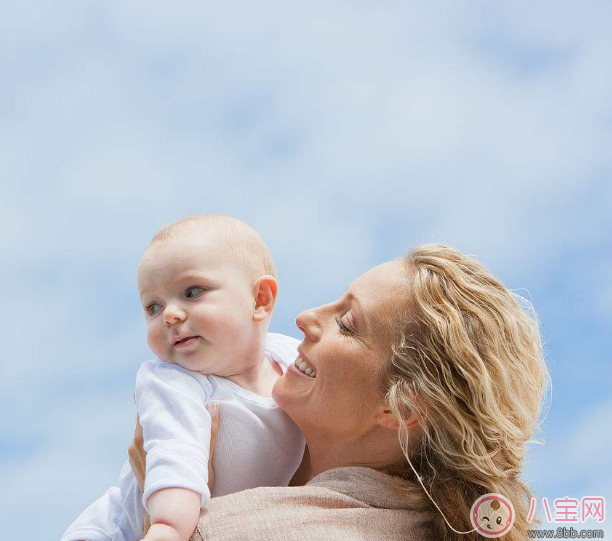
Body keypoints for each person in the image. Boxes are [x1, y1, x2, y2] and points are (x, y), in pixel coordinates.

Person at [184, 244, 548, 541]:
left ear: (402, 408)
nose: (305, 317)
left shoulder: (229, 530)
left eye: (346, 324)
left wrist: (168, 508)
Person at [61, 215, 306, 541]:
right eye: (153, 307)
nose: (170, 315)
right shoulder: (173, 382)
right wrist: (168, 528)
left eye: (192, 291)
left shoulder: (291, 357)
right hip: (119, 531)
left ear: (260, 299)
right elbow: (175, 456)